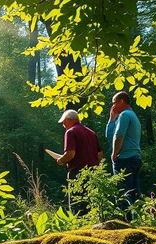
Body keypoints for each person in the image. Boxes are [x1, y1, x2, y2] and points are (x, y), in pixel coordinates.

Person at [56, 109, 103, 213]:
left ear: (69, 120)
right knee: (91, 204)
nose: (63, 125)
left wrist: (61, 160)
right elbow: (99, 154)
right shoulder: (91, 133)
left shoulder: (71, 132)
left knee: (77, 206)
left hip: (77, 173)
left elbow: (70, 153)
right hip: (93, 173)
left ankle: (79, 226)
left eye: (64, 122)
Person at [106, 92, 142, 220]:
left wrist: (114, 154)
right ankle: (138, 220)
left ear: (122, 101)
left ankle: (125, 222)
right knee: (134, 191)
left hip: (125, 158)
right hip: (135, 158)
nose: (113, 105)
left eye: (114, 102)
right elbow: (109, 134)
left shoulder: (125, 115)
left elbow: (118, 136)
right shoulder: (131, 116)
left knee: (122, 191)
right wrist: (112, 118)